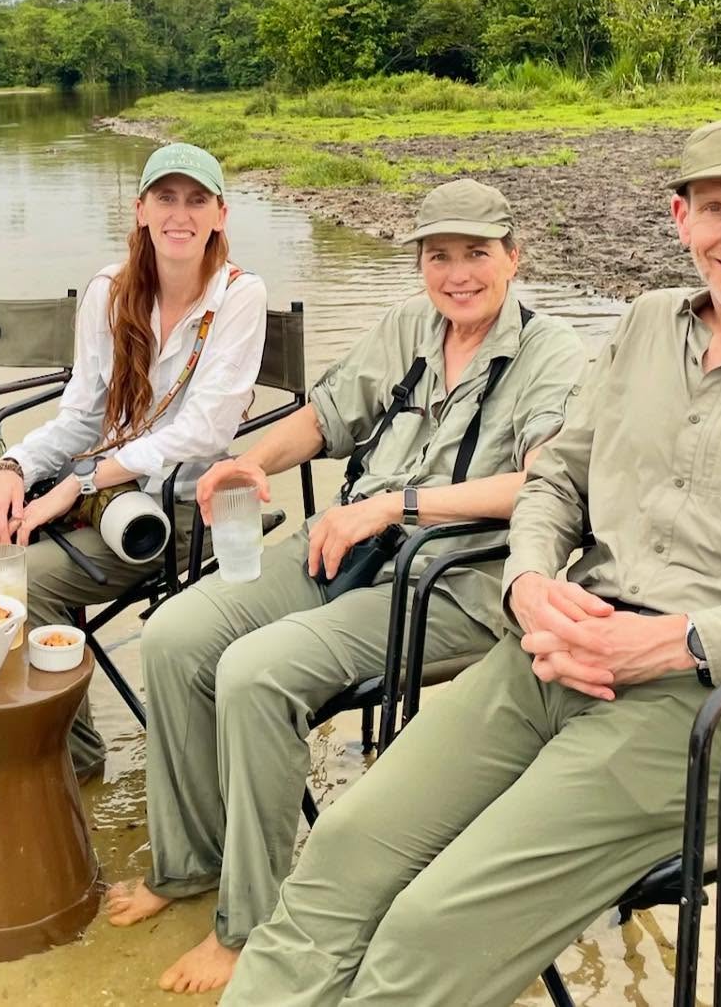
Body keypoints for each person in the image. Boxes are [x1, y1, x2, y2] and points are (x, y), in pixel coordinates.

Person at [222, 114, 721, 1007]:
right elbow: (556, 477)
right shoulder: (645, 326)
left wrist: (681, 642)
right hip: (555, 651)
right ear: (679, 219)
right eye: (713, 209)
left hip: (712, 714)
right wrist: (530, 579)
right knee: (341, 853)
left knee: (433, 923)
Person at [106, 178, 587, 995]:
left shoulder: (556, 356)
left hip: (456, 583)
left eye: (477, 253)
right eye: (440, 255)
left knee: (256, 673)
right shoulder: (410, 326)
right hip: (347, 545)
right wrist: (251, 460)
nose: (458, 273)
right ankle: (189, 863)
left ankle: (249, 925)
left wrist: (395, 506)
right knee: (175, 636)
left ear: (514, 256)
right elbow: (327, 415)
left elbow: (544, 487)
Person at [0, 143, 268, 782]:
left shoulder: (239, 296)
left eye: (196, 200)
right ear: (139, 210)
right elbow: (81, 414)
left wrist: (80, 482)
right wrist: (12, 470)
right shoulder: (110, 289)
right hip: (106, 497)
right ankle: (40, 741)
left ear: (221, 214)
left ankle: (69, 763)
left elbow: (207, 427)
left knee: (17, 584)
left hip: (187, 510)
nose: (179, 214)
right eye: (165, 197)